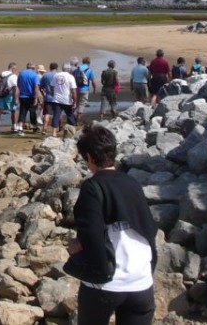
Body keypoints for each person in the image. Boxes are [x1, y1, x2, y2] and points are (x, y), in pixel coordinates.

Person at [67, 124, 158, 325]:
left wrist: (77, 245)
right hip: (141, 282)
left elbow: (91, 233)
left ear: (89, 158)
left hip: (106, 283)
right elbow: (149, 227)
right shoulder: (132, 183)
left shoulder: (93, 187)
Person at [46, 62, 76, 138]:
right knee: (70, 115)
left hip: (57, 99)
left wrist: (53, 94)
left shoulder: (56, 75)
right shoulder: (70, 77)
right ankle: (71, 131)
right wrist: (75, 101)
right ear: (69, 69)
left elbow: (51, 87)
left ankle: (54, 133)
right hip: (67, 100)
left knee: (56, 115)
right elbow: (73, 90)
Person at [16, 63, 40, 135]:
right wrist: (36, 98)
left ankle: (20, 128)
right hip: (31, 96)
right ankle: (34, 126)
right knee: (33, 111)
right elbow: (36, 87)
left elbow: (18, 84)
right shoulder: (34, 75)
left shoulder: (21, 73)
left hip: (22, 96)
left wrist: (21, 91)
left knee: (22, 112)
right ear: (33, 68)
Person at [0, 62, 18, 133]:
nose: (16, 70)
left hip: (0, 94)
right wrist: (15, 99)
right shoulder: (13, 76)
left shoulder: (2, 74)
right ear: (13, 68)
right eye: (15, 69)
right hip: (8, 95)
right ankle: (14, 127)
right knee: (13, 111)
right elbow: (15, 88)